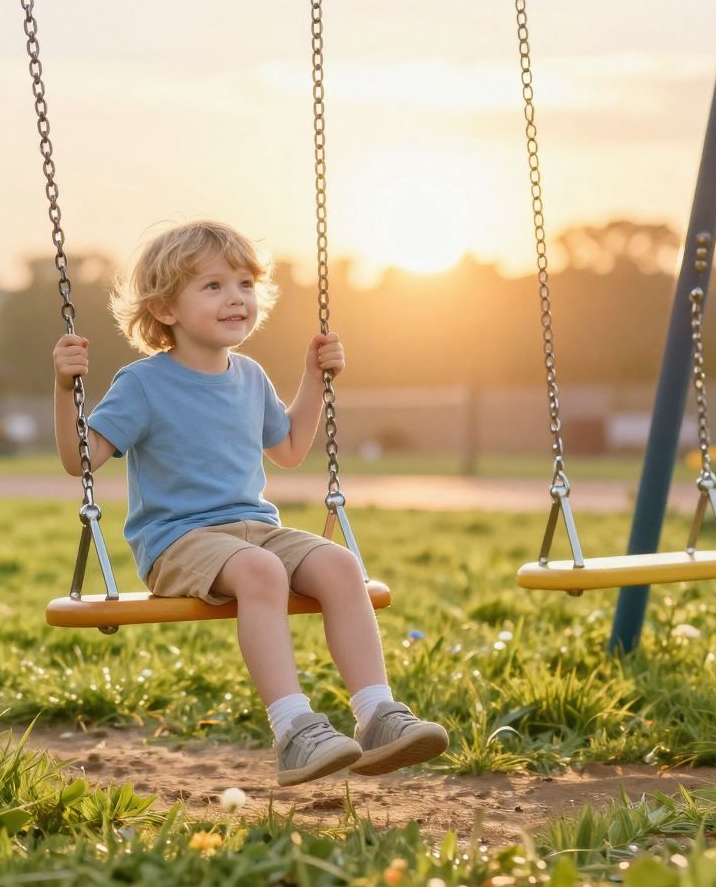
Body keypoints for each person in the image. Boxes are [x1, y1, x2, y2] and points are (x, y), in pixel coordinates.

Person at [52, 220, 448, 786]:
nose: (236, 297)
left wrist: (313, 379)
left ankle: (377, 714)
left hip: (254, 528)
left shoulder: (252, 376)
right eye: (212, 286)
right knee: (262, 572)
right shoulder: (141, 384)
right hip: (178, 542)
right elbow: (80, 462)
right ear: (166, 309)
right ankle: (294, 729)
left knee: (340, 564)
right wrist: (66, 390)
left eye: (244, 283)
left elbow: (287, 449)